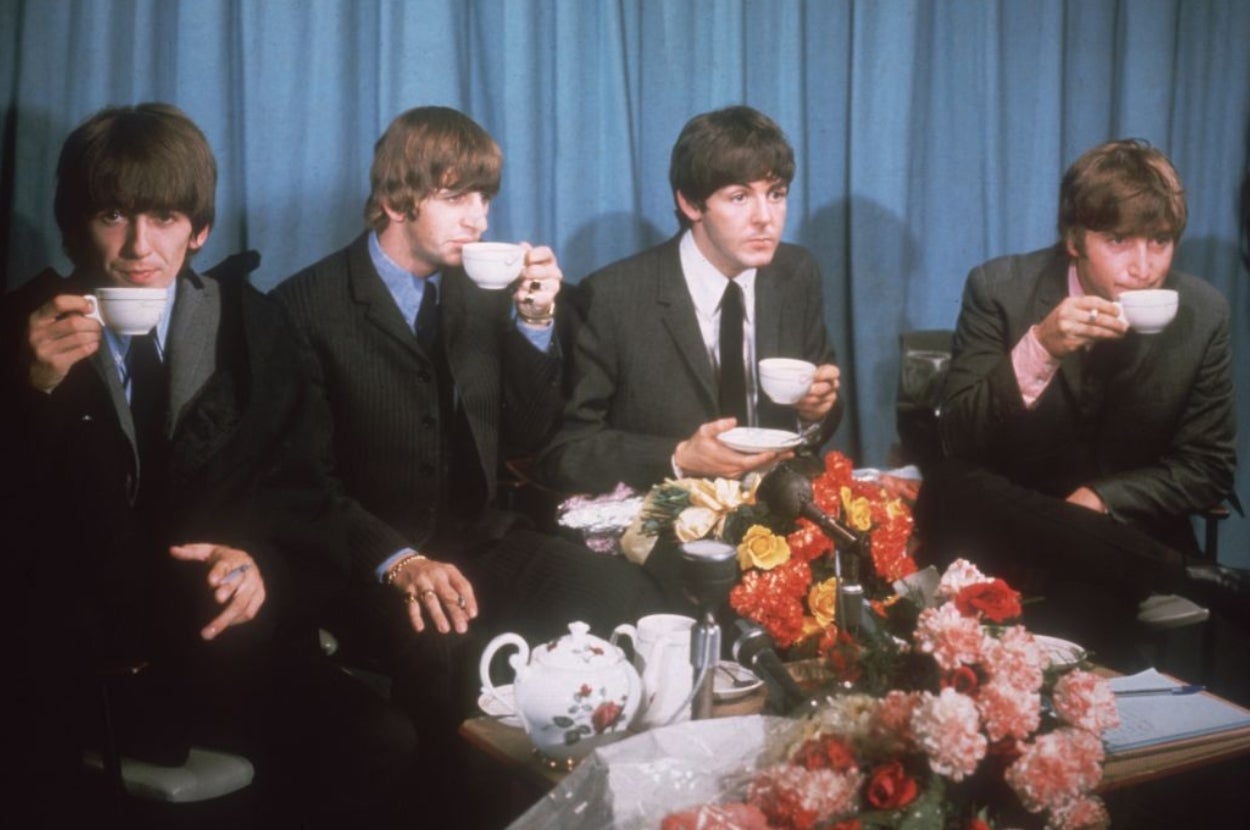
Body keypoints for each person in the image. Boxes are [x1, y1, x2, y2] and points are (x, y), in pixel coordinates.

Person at [0, 103, 413, 826]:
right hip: (81, 658)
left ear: (199, 230)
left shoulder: (255, 325)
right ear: (72, 226)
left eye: (163, 218)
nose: (138, 247)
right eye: (111, 215)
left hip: (229, 643)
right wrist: (28, 396)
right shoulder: (18, 331)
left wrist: (265, 568)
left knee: (377, 741)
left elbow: (309, 491)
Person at [271, 106, 666, 827]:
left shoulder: (478, 290)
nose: (479, 220)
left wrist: (535, 322)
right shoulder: (304, 308)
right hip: (367, 564)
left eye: (484, 198)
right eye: (457, 198)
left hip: (480, 538)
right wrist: (398, 561)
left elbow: (528, 434)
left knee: (623, 594)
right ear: (395, 200)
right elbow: (303, 485)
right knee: (447, 654)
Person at [914, 138, 1245, 667]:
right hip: (1012, 528)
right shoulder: (1000, 289)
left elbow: (1208, 465)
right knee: (952, 483)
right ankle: (1188, 577)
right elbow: (957, 436)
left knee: (1075, 638)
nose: (1144, 268)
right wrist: (1039, 349)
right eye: (1118, 240)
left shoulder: (1202, 314)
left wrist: (1101, 497)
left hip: (1118, 537)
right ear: (1074, 239)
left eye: (1160, 242)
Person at [537, 105, 843, 497]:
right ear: (691, 204)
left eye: (776, 194)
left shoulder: (796, 273)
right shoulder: (613, 296)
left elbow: (822, 417)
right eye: (739, 197)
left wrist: (813, 414)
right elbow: (566, 453)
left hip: (776, 505)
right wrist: (678, 457)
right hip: (665, 519)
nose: (765, 217)